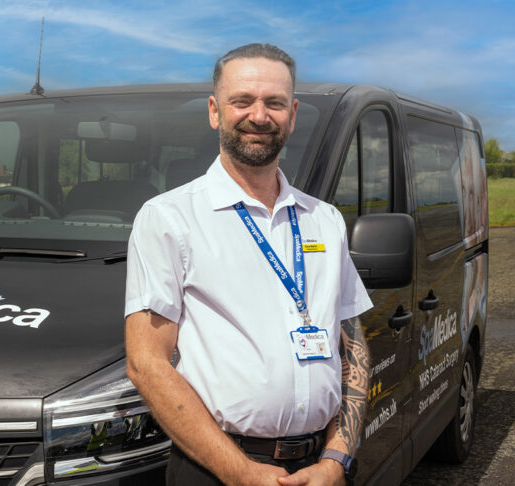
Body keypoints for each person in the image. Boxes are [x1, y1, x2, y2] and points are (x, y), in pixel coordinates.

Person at [124, 43, 373, 486]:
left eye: (274, 103)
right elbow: (147, 364)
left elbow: (351, 346)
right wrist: (239, 472)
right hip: (218, 470)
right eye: (242, 101)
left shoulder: (325, 219)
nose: (259, 116)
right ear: (215, 112)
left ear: (292, 114)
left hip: (322, 470)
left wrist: (337, 458)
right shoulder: (169, 218)